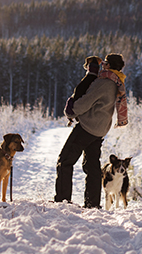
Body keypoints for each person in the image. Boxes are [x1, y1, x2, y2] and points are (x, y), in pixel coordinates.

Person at [54, 53, 128, 208]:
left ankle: (62, 201)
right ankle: (92, 204)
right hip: (100, 130)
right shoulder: (116, 82)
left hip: (87, 128)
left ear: (109, 65)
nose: (103, 65)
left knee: (65, 161)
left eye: (105, 63)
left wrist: (71, 109)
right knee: (92, 167)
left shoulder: (104, 82)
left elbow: (84, 103)